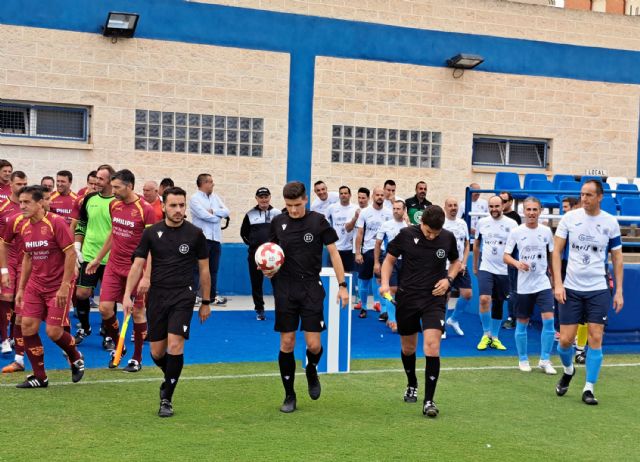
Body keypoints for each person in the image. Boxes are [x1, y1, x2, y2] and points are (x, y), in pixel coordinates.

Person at [123, 186, 211, 417]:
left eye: (182, 205)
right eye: (173, 205)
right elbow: (137, 265)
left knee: (175, 345)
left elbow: (204, 270)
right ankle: (170, 375)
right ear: (163, 206)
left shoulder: (195, 234)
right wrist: (126, 295)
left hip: (183, 295)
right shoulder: (152, 233)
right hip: (158, 297)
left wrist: (206, 301)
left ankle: (167, 398)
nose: (178, 210)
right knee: (158, 352)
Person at [264, 181, 349, 413]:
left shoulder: (318, 221)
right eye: (289, 205)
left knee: (313, 345)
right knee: (287, 342)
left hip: (311, 287)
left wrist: (342, 285)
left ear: (306, 200)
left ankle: (311, 368)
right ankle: (289, 395)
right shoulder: (278, 222)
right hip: (285, 288)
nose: (293, 210)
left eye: (297, 204)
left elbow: (334, 252)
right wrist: (268, 269)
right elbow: (269, 254)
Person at [379, 205, 461, 418]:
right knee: (408, 348)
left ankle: (429, 400)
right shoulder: (406, 234)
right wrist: (385, 283)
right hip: (407, 298)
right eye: (428, 232)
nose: (432, 236)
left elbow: (455, 262)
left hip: (434, 300)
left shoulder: (447, 238)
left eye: (436, 233)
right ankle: (412, 382)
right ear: (421, 223)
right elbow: (388, 260)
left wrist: (448, 279)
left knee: (432, 347)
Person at [552, 180, 623, 405]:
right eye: (582, 195)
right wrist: (558, 283)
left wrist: (619, 290)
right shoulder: (569, 219)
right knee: (565, 341)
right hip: (571, 288)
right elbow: (556, 251)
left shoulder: (610, 222)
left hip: (598, 289)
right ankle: (568, 369)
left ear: (600, 197)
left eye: (589, 195)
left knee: (596, 337)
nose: (584, 199)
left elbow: (617, 258)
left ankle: (589, 388)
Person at [14, 185, 85, 388]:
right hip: (36, 284)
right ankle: (40, 376)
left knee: (54, 332)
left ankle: (76, 357)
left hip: (58, 284)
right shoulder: (24, 226)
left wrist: (64, 286)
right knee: (27, 326)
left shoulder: (56, 223)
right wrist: (21, 288)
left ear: (40, 203)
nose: (22, 206)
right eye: (20, 202)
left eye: (27, 202)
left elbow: (70, 254)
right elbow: (27, 257)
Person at [85, 169, 155, 371]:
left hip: (136, 268)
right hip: (113, 266)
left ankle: (137, 358)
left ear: (129, 186)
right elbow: (113, 233)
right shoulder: (114, 205)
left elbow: (151, 246)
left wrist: (147, 277)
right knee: (105, 308)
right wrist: (98, 259)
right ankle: (119, 345)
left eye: (117, 187)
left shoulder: (145, 209)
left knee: (138, 312)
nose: (112, 190)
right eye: (112, 186)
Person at [504, 196, 557, 374]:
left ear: (540, 211)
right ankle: (523, 359)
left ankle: (545, 359)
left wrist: (555, 281)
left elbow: (553, 257)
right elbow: (506, 256)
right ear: (524, 211)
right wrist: (517, 263)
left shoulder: (547, 231)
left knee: (549, 320)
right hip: (524, 285)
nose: (532, 213)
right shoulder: (516, 232)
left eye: (535, 209)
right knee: (522, 322)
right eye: (529, 209)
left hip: (542, 282)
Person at [72, 164, 116, 344]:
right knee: (82, 294)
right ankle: (85, 327)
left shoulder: (117, 203)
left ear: (111, 181)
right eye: (96, 178)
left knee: (108, 300)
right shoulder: (88, 199)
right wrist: (77, 245)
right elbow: (82, 223)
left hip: (110, 259)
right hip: (89, 256)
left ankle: (107, 334)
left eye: (101, 179)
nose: (97, 182)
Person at [473, 195, 518, 351]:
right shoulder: (482, 223)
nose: (494, 209)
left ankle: (495, 337)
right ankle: (486, 334)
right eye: (491, 207)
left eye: (496, 206)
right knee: (485, 299)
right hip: (486, 267)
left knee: (498, 303)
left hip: (504, 270)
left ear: (503, 206)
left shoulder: (512, 224)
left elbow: (516, 247)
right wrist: (475, 266)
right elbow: (477, 245)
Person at [240, 187, 281, 321]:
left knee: (278, 283)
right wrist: (254, 246)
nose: (264, 199)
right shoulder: (250, 214)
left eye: (266, 196)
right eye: (261, 197)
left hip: (274, 257)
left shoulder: (278, 213)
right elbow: (243, 233)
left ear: (270, 197)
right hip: (255, 256)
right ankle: (259, 309)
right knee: (256, 283)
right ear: (256, 199)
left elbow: (283, 233)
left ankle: (281, 308)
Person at [189, 173, 229, 306]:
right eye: (210, 181)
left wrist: (213, 211)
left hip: (216, 239)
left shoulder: (215, 197)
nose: (213, 184)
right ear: (203, 183)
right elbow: (203, 215)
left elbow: (227, 211)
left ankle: (211, 297)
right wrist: (218, 216)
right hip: (202, 239)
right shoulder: (195, 199)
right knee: (196, 269)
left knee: (213, 269)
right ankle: (194, 296)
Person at [0, 171, 28, 354]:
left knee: (20, 301)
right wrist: (3, 270)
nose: (23, 187)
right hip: (7, 259)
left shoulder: (30, 207)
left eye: (25, 183)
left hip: (26, 261)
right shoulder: (3, 207)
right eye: (19, 184)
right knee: (6, 297)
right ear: (10, 184)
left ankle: (17, 338)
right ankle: (4, 340)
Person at [355, 186, 391, 318]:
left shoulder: (389, 213)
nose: (380, 197)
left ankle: (384, 310)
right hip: (367, 250)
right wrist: (358, 253)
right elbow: (359, 233)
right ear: (373, 197)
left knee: (381, 281)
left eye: (382, 195)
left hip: (383, 251)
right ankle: (364, 307)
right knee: (364, 280)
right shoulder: (365, 212)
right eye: (377, 195)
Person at [373, 199, 407, 332]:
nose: (396, 211)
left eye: (399, 209)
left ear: (404, 210)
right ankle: (392, 319)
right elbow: (377, 244)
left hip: (405, 263)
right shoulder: (386, 225)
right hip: (390, 261)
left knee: (402, 291)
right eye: (394, 208)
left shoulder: (408, 227)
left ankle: (399, 316)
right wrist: (376, 262)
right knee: (391, 290)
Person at [442, 197, 470, 337]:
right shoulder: (441, 223)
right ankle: (441, 327)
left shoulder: (462, 223)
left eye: (455, 205)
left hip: (461, 266)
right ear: (445, 207)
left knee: (467, 294)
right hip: (445, 266)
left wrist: (463, 263)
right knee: (444, 296)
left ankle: (453, 319)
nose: (453, 207)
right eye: (450, 205)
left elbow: (466, 245)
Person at [499, 191, 521, 330]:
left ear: (511, 202)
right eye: (500, 200)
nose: (502, 203)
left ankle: (512, 317)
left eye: (505, 201)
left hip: (510, 259)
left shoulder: (515, 219)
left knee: (513, 290)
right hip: (496, 261)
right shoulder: (495, 216)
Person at [325, 186, 357, 274]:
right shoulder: (332, 208)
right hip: (335, 248)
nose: (343, 195)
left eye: (345, 193)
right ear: (339, 195)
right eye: (341, 193)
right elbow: (324, 220)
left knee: (347, 276)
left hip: (349, 248)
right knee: (332, 274)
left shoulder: (355, 208)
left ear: (350, 195)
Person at [458, 182, 488, 248]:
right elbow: (458, 220)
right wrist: (469, 228)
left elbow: (489, 218)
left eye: (479, 191)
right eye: (476, 191)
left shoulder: (484, 203)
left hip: (482, 237)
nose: (478, 193)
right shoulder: (463, 204)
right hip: (469, 238)